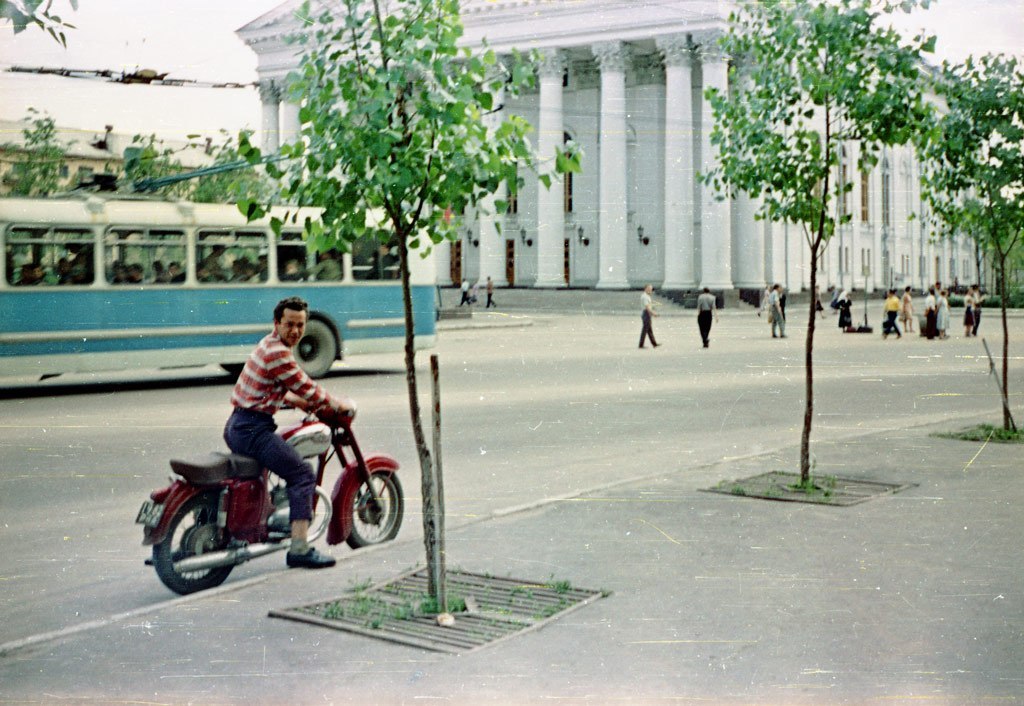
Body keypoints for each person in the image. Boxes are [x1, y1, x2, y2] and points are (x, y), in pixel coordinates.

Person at [223, 297, 353, 569]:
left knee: (281, 463)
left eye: (300, 325)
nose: (295, 331)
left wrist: (293, 402)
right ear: (277, 323)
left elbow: (266, 389)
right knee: (302, 474)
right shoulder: (279, 354)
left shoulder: (269, 344)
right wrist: (338, 404)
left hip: (239, 425)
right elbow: (306, 386)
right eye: (289, 324)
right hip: (252, 430)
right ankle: (300, 548)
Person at [638, 284, 659, 348]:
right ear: (645, 289)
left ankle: (654, 343)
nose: (650, 290)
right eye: (649, 289)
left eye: (651, 289)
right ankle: (641, 345)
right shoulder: (645, 297)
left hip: (647, 314)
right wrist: (653, 313)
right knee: (645, 330)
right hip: (646, 314)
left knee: (649, 330)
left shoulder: (647, 296)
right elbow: (647, 307)